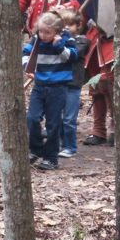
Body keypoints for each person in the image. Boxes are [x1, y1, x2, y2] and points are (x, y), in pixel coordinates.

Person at [23, 11, 79, 171]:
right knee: (32, 118)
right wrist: (28, 67)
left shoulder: (67, 39)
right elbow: (26, 53)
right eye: (41, 31)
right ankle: (36, 149)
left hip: (58, 87)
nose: (43, 35)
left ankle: (51, 157)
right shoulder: (36, 40)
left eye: (47, 32)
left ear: (57, 31)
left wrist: (59, 45)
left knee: (53, 124)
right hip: (39, 86)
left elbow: (73, 57)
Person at [57, 9, 89, 158]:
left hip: (73, 84)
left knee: (69, 118)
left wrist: (64, 38)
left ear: (78, 26)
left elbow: (73, 54)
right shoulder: (59, 40)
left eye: (70, 25)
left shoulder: (82, 41)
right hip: (59, 83)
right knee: (56, 116)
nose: (67, 28)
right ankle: (58, 144)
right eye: (64, 25)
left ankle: (70, 146)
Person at [82, 24, 116, 146]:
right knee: (96, 85)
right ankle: (99, 130)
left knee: (109, 84)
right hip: (94, 39)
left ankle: (116, 128)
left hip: (116, 39)